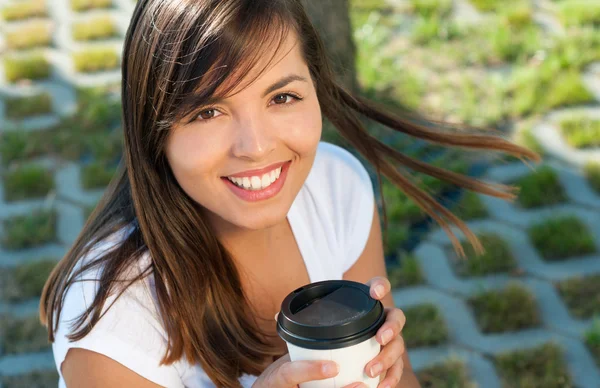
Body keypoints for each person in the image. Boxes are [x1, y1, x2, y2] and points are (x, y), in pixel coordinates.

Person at [40, 0, 540, 387]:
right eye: (208, 112)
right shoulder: (113, 324)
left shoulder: (336, 187)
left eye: (282, 97)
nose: (256, 147)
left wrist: (386, 367)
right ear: (155, 129)